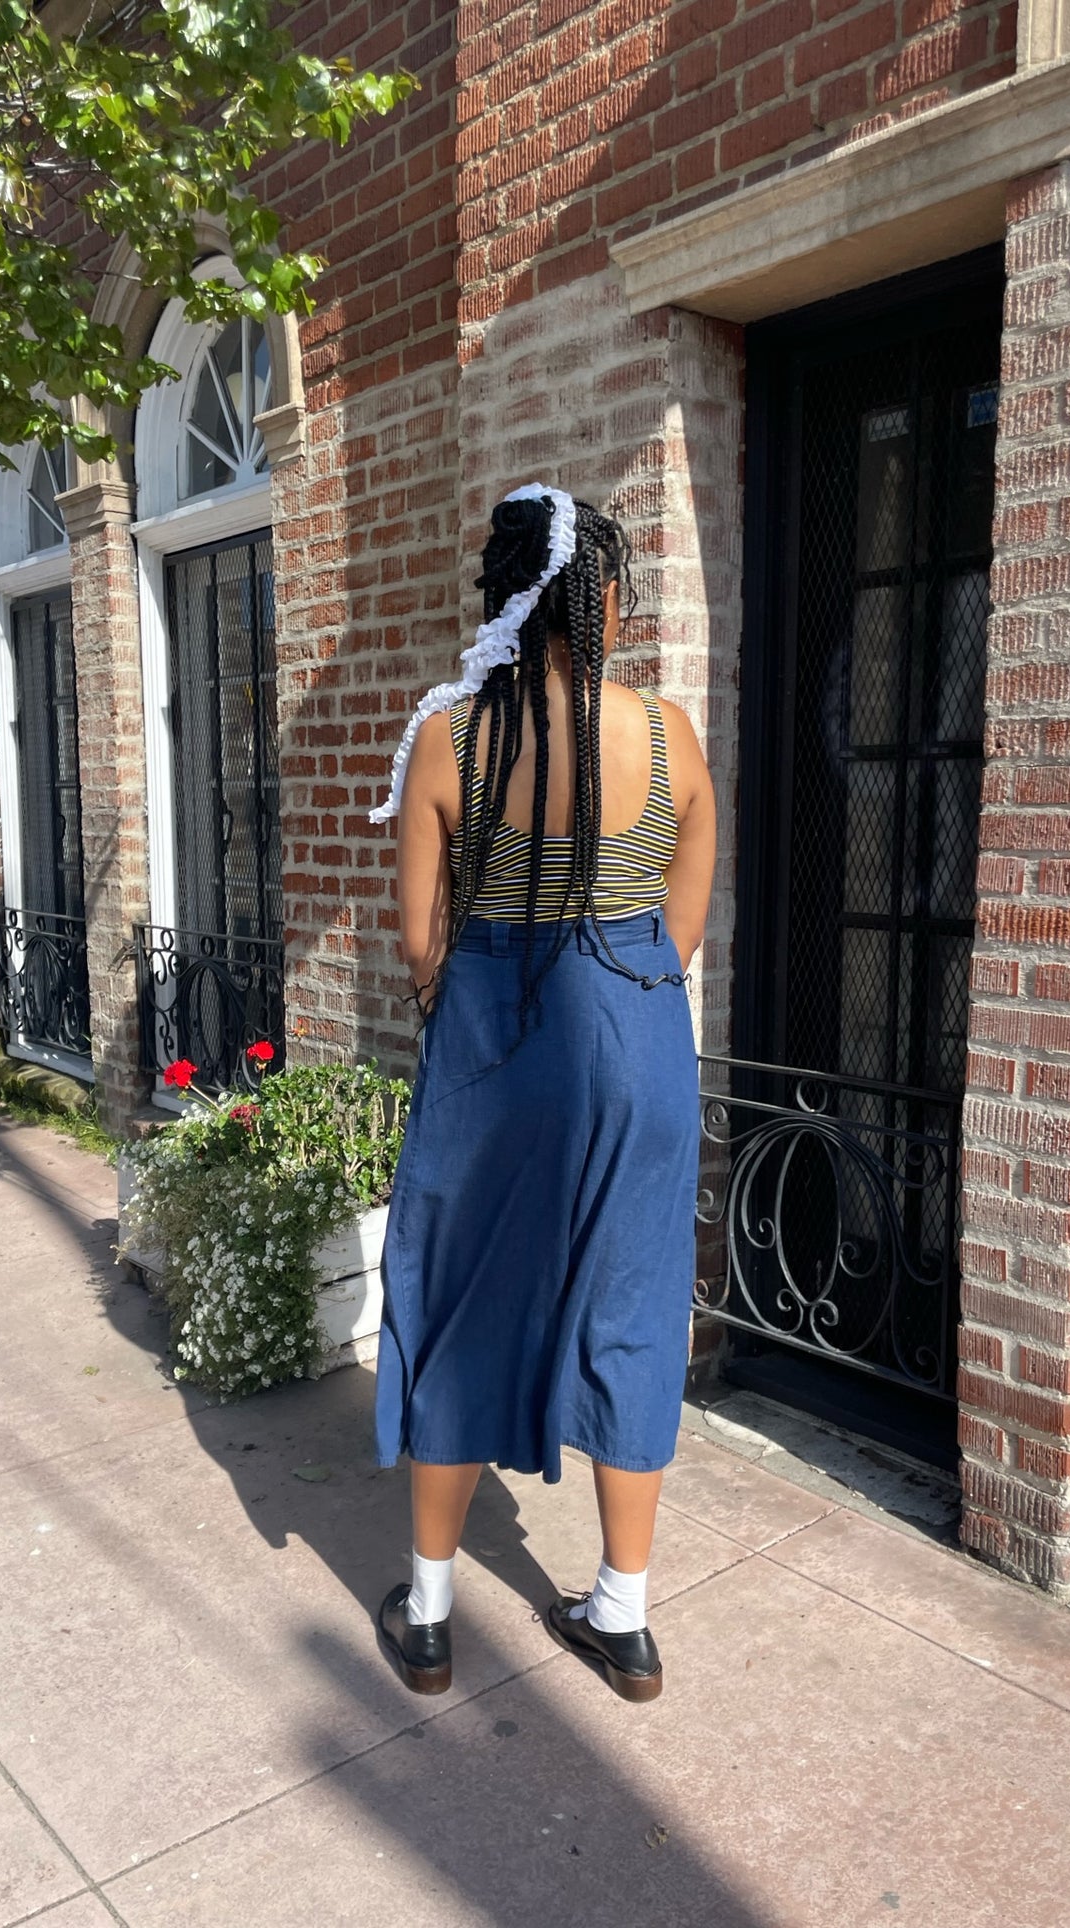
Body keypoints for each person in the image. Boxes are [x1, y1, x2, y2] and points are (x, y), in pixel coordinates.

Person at [367, 484, 717, 1703]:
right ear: (601, 597)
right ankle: (618, 1613)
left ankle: (426, 1611)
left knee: (460, 1302)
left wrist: (480, 985)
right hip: (633, 1038)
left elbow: (418, 938)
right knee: (630, 1302)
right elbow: (677, 931)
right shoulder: (668, 732)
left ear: (502, 602)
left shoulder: (451, 738)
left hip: (494, 1037)